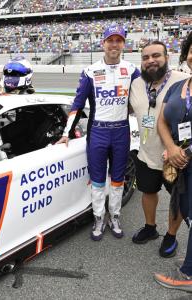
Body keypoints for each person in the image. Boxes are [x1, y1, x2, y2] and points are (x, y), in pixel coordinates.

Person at [57, 25, 140, 241]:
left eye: (118, 40)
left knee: (118, 179)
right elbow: (77, 104)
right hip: (98, 132)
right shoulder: (90, 71)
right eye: (110, 40)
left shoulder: (132, 70)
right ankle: (98, 217)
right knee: (97, 180)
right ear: (102, 43)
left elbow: (142, 99)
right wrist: (67, 133)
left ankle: (115, 216)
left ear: (123, 44)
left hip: (122, 131)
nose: (114, 44)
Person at [130, 41, 189, 257]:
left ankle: (171, 235)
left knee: (177, 199)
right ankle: (150, 227)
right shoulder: (136, 84)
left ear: (167, 58)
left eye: (156, 55)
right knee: (148, 191)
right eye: (145, 58)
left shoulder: (182, 81)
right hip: (146, 155)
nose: (151, 61)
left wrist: (177, 148)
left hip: (174, 157)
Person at [154, 32, 192, 291]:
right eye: (190, 51)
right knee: (186, 210)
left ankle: (188, 276)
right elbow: (161, 121)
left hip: (186, 159)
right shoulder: (181, 86)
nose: (191, 56)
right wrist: (170, 147)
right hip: (180, 163)